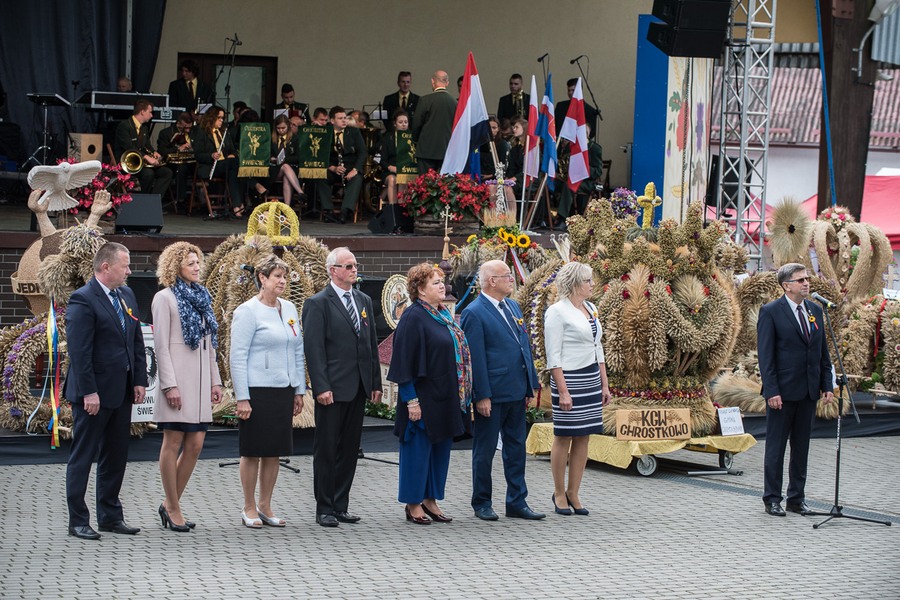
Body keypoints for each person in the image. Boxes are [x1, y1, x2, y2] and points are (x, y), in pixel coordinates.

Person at [64, 241, 147, 540]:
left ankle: (110, 515)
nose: (129, 271)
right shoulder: (83, 299)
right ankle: (77, 520)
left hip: (122, 390)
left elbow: (135, 339)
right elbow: (80, 351)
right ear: (105, 267)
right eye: (124, 265)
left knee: (116, 455)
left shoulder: (126, 294)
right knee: (83, 456)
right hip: (93, 394)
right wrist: (89, 392)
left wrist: (139, 379)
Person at [302, 247, 382, 527]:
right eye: (347, 266)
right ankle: (324, 506)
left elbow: (369, 344)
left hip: (358, 386)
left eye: (355, 265)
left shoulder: (361, 299)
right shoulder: (318, 303)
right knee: (326, 448)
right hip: (332, 388)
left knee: (349, 448)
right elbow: (314, 350)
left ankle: (340, 504)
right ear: (332, 270)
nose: (353, 270)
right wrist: (321, 386)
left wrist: (374, 382)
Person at [461, 260, 544, 521]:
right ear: (491, 281)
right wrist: (481, 394)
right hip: (493, 393)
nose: (512, 279)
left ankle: (517, 501)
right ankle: (482, 501)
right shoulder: (475, 312)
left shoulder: (513, 306)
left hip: (516, 390)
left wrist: (530, 384)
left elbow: (523, 347)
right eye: (506, 275)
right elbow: (475, 357)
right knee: (485, 450)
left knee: (516, 448)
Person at [388, 263, 471, 524]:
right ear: (420, 290)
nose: (442, 286)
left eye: (442, 281)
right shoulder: (413, 317)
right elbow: (403, 363)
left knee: (439, 452)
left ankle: (431, 500)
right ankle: (413, 504)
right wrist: (411, 400)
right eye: (435, 282)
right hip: (422, 399)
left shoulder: (443, 315)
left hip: (445, 397)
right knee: (418, 452)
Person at [230, 254, 306, 528]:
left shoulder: (289, 309)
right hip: (256, 390)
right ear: (262, 278)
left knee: (274, 450)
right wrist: (242, 397)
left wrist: (299, 389)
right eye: (277, 277)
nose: (283, 282)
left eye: (285, 277)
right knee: (252, 450)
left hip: (282, 389)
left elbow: (298, 349)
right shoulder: (247, 311)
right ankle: (248, 506)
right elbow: (237, 356)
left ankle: (265, 504)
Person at [151, 242, 222, 532]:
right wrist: (169, 385)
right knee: (174, 441)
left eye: (198, 262)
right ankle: (174, 506)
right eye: (191, 263)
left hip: (201, 381)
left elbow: (209, 344)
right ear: (175, 266)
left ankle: (170, 504)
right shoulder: (164, 298)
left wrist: (215, 380)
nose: (197, 267)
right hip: (178, 382)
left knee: (196, 443)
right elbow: (161, 346)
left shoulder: (202, 295)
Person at [757, 263, 834, 517]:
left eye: (807, 278)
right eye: (800, 280)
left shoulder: (815, 310)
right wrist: (772, 391)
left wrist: (826, 384)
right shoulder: (770, 312)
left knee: (801, 447)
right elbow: (766, 357)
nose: (806, 283)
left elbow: (822, 351)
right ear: (786, 285)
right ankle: (772, 499)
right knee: (776, 448)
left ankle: (796, 499)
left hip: (808, 391)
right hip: (782, 393)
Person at [543, 261, 610, 516]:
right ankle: (559, 493)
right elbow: (553, 355)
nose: (593, 285)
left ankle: (574, 492)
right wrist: (563, 391)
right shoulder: (557, 312)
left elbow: (598, 347)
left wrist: (604, 383)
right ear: (574, 284)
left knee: (584, 435)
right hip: (569, 378)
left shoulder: (590, 308)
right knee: (565, 435)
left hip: (591, 377)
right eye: (588, 281)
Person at [316, 106, 367, 224]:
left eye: (345, 118)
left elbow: (362, 152)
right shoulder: (326, 132)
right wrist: (332, 167)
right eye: (340, 118)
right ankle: (328, 211)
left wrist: (355, 169)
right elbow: (320, 153)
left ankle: (345, 211)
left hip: (350, 167)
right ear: (332, 121)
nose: (344, 120)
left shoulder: (354, 131)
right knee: (321, 176)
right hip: (333, 167)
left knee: (357, 178)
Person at [114, 98, 173, 197]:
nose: (151, 115)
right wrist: (147, 157)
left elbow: (147, 145)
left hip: (141, 163)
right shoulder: (124, 126)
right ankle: (143, 200)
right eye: (150, 112)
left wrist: (154, 152)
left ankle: (153, 200)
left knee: (167, 172)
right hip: (127, 164)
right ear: (142, 112)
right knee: (148, 174)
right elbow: (129, 147)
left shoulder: (144, 128)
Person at [193, 106, 245, 218]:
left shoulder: (224, 132)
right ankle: (239, 204)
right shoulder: (202, 132)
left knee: (234, 167)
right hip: (210, 166)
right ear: (211, 118)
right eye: (219, 118)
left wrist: (232, 155)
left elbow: (233, 151)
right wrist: (211, 155)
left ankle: (237, 205)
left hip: (225, 165)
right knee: (234, 165)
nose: (221, 120)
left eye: (222, 118)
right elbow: (198, 155)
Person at [556, 123, 603, 226]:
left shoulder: (594, 148)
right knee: (550, 184)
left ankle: (562, 218)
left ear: (587, 134)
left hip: (586, 182)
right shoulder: (571, 146)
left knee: (569, 186)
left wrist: (584, 168)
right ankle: (546, 217)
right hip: (570, 178)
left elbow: (598, 171)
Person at [411, 70, 456, 174]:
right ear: (447, 83)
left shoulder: (425, 100)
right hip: (446, 149)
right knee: (445, 185)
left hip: (426, 150)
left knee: (425, 184)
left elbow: (416, 124)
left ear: (433, 81)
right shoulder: (454, 102)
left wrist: (416, 141)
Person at [156, 111, 196, 206]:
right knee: (181, 168)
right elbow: (162, 151)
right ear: (179, 122)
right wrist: (178, 148)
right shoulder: (165, 133)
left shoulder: (193, 132)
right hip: (173, 164)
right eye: (186, 127)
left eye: (190, 127)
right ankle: (181, 200)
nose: (188, 130)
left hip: (191, 161)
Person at [269, 114, 304, 206]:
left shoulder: (295, 138)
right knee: (285, 167)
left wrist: (285, 159)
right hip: (275, 169)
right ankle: (300, 191)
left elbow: (299, 157)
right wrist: (272, 158)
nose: (281, 130)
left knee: (286, 176)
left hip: (291, 169)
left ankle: (287, 207)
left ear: (288, 127)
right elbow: (267, 154)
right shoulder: (271, 139)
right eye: (278, 128)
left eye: (283, 128)